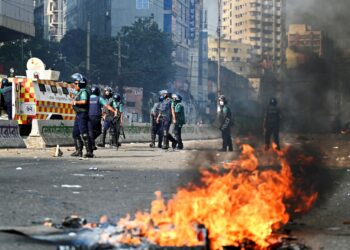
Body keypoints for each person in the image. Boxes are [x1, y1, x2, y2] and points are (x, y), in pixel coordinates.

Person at [70, 73, 93, 158]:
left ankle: (89, 152)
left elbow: (84, 101)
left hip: (83, 113)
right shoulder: (78, 92)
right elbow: (72, 94)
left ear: (81, 83)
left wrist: (75, 102)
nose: (74, 85)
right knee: (75, 133)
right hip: (78, 114)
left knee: (84, 133)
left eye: (76, 83)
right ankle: (78, 151)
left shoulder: (84, 91)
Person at [88, 86, 116, 150]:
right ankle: (100, 143)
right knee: (102, 130)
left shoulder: (112, 99)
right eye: (105, 91)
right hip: (102, 117)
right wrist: (104, 114)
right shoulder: (100, 98)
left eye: (108, 91)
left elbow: (110, 106)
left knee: (112, 130)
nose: (106, 92)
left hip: (110, 116)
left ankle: (113, 143)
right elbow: (104, 107)